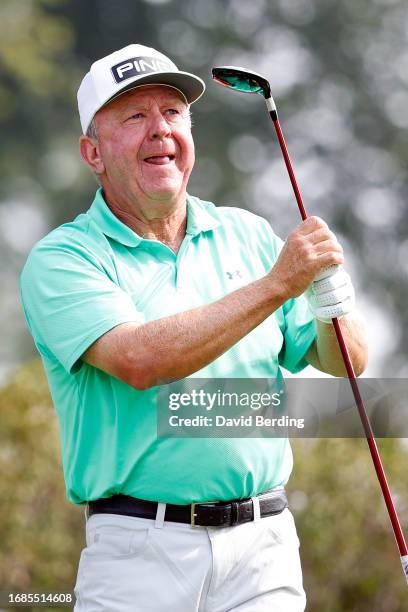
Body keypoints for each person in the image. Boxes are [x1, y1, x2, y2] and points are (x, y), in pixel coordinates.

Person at [20, 43, 367, 611]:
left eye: (172, 113)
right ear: (93, 152)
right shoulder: (65, 258)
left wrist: (333, 298)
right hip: (137, 553)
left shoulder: (249, 234)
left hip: (264, 547)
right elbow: (140, 360)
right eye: (135, 116)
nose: (160, 131)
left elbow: (347, 362)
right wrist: (279, 283)